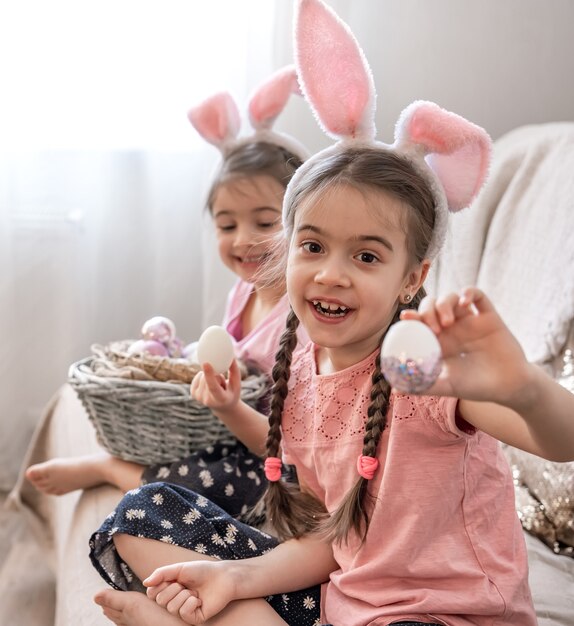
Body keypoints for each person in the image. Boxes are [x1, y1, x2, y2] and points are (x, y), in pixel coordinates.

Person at [89, 1, 574, 625]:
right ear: (288, 250)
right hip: (339, 599)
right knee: (140, 514)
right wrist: (232, 578)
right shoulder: (301, 370)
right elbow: (326, 538)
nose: (331, 273)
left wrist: (524, 388)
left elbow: (563, 442)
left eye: (367, 256)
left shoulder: (424, 371)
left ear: (413, 277)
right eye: (312, 246)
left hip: (441, 616)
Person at [25, 66, 309, 522]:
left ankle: (114, 469)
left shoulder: (303, 319)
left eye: (264, 221)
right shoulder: (244, 291)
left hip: (272, 455)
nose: (242, 241)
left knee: (199, 488)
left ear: (301, 221)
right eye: (226, 224)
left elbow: (288, 446)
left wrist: (231, 408)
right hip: (229, 427)